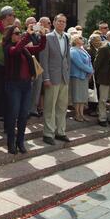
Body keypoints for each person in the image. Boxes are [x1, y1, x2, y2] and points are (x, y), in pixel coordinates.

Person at [3, 23, 46, 154]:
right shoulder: (8, 47)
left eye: (19, 33)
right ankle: (10, 143)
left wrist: (43, 35)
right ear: (10, 36)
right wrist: (27, 35)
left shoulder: (24, 49)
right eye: (16, 33)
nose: (19, 35)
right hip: (13, 85)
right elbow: (15, 50)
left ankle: (20, 142)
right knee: (13, 114)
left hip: (26, 85)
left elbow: (40, 47)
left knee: (23, 115)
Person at [40, 14, 71, 144]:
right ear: (54, 22)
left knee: (62, 107)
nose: (61, 24)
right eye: (59, 21)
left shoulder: (66, 38)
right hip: (51, 77)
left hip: (64, 77)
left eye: (64, 22)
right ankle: (48, 134)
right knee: (50, 107)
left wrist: (68, 73)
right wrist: (45, 77)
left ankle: (60, 132)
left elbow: (67, 58)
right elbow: (44, 60)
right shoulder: (47, 38)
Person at [69, 34, 93, 123]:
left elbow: (89, 60)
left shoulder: (83, 50)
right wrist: (90, 70)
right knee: (77, 96)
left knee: (83, 96)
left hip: (85, 75)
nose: (82, 39)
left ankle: (82, 114)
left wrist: (90, 70)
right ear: (74, 40)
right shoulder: (73, 51)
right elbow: (79, 64)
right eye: (79, 38)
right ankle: (77, 114)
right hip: (77, 75)